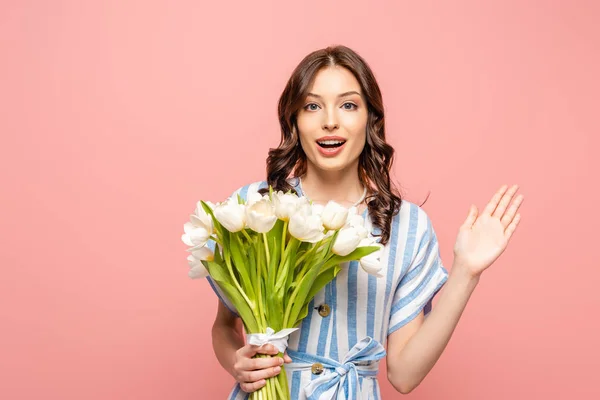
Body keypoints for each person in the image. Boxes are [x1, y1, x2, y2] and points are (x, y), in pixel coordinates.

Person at [206, 45, 523, 399]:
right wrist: (238, 361)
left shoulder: (407, 227)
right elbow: (225, 326)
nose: (330, 120)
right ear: (294, 119)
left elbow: (404, 374)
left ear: (370, 118)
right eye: (312, 106)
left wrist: (466, 272)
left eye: (348, 105)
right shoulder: (255, 208)